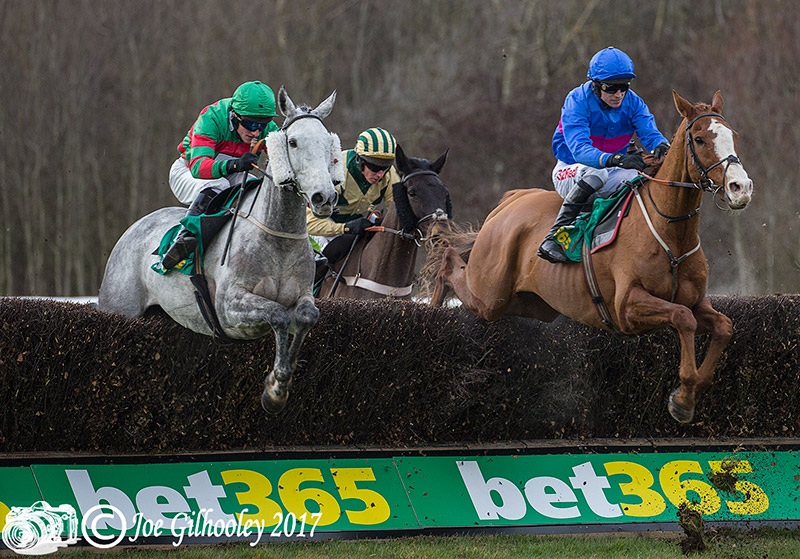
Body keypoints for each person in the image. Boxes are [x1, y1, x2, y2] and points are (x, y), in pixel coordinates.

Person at [537, 46, 671, 264]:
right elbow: (580, 150)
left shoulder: (633, 102)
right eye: (611, 87)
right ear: (595, 84)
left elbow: (650, 133)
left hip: (610, 170)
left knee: (638, 179)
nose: (618, 94)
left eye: (624, 87)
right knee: (598, 174)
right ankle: (552, 238)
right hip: (571, 169)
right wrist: (617, 159)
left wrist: (661, 145)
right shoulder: (577, 100)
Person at [161, 81, 280, 269]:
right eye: (250, 124)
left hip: (227, 174)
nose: (256, 132)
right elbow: (199, 167)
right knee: (219, 185)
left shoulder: (265, 127)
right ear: (234, 115)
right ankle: (183, 239)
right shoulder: (211, 118)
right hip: (188, 172)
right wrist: (235, 164)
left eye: (262, 125)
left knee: (256, 188)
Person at [307, 127, 401, 282]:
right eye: (374, 167)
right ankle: (310, 287)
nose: (380, 174)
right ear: (359, 160)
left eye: (385, 168)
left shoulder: (388, 175)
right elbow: (308, 222)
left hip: (357, 222)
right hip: (318, 223)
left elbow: (397, 211)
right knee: (332, 250)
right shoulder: (334, 169)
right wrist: (345, 228)